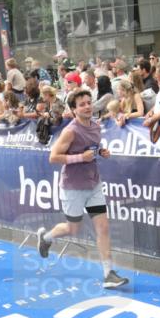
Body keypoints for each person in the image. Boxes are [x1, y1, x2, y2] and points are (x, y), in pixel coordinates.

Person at [36, 89, 128, 289]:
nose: (87, 106)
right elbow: (53, 157)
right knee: (72, 228)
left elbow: (92, 148)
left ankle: (108, 273)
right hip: (73, 187)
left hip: (93, 183)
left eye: (89, 102)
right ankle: (46, 237)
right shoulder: (71, 131)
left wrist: (101, 152)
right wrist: (80, 158)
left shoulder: (96, 126)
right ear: (74, 110)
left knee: (103, 227)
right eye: (82, 104)